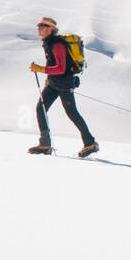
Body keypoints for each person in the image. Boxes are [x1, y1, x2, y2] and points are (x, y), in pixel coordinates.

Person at [29, 16, 98, 157]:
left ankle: (90, 142)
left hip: (63, 82)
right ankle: (45, 144)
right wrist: (48, 77)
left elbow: (60, 68)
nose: (39, 28)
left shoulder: (57, 44)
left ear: (50, 29)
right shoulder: (49, 42)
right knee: (41, 108)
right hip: (54, 82)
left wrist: (40, 69)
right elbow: (53, 64)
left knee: (72, 112)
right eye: (39, 25)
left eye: (42, 26)